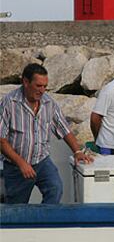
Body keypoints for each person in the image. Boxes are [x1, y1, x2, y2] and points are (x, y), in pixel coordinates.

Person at [0, 63, 93, 204]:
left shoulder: (49, 103)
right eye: (38, 86)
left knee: (55, 189)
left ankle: (44, 224)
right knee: (17, 207)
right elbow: (1, 140)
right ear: (25, 82)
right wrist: (21, 164)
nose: (42, 90)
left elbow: (65, 130)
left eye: (45, 86)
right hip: (16, 167)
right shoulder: (9, 103)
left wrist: (77, 151)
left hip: (42, 161)